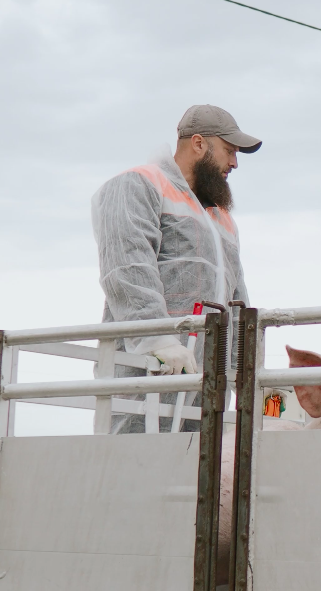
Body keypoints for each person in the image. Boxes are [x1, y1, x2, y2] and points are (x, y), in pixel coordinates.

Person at [92, 104, 260, 433]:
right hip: (146, 374)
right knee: (138, 465)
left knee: (199, 474)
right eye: (229, 151)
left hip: (208, 384)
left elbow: (237, 300)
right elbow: (127, 268)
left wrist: (252, 374)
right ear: (198, 144)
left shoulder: (220, 218)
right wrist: (158, 340)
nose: (234, 163)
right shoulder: (138, 185)